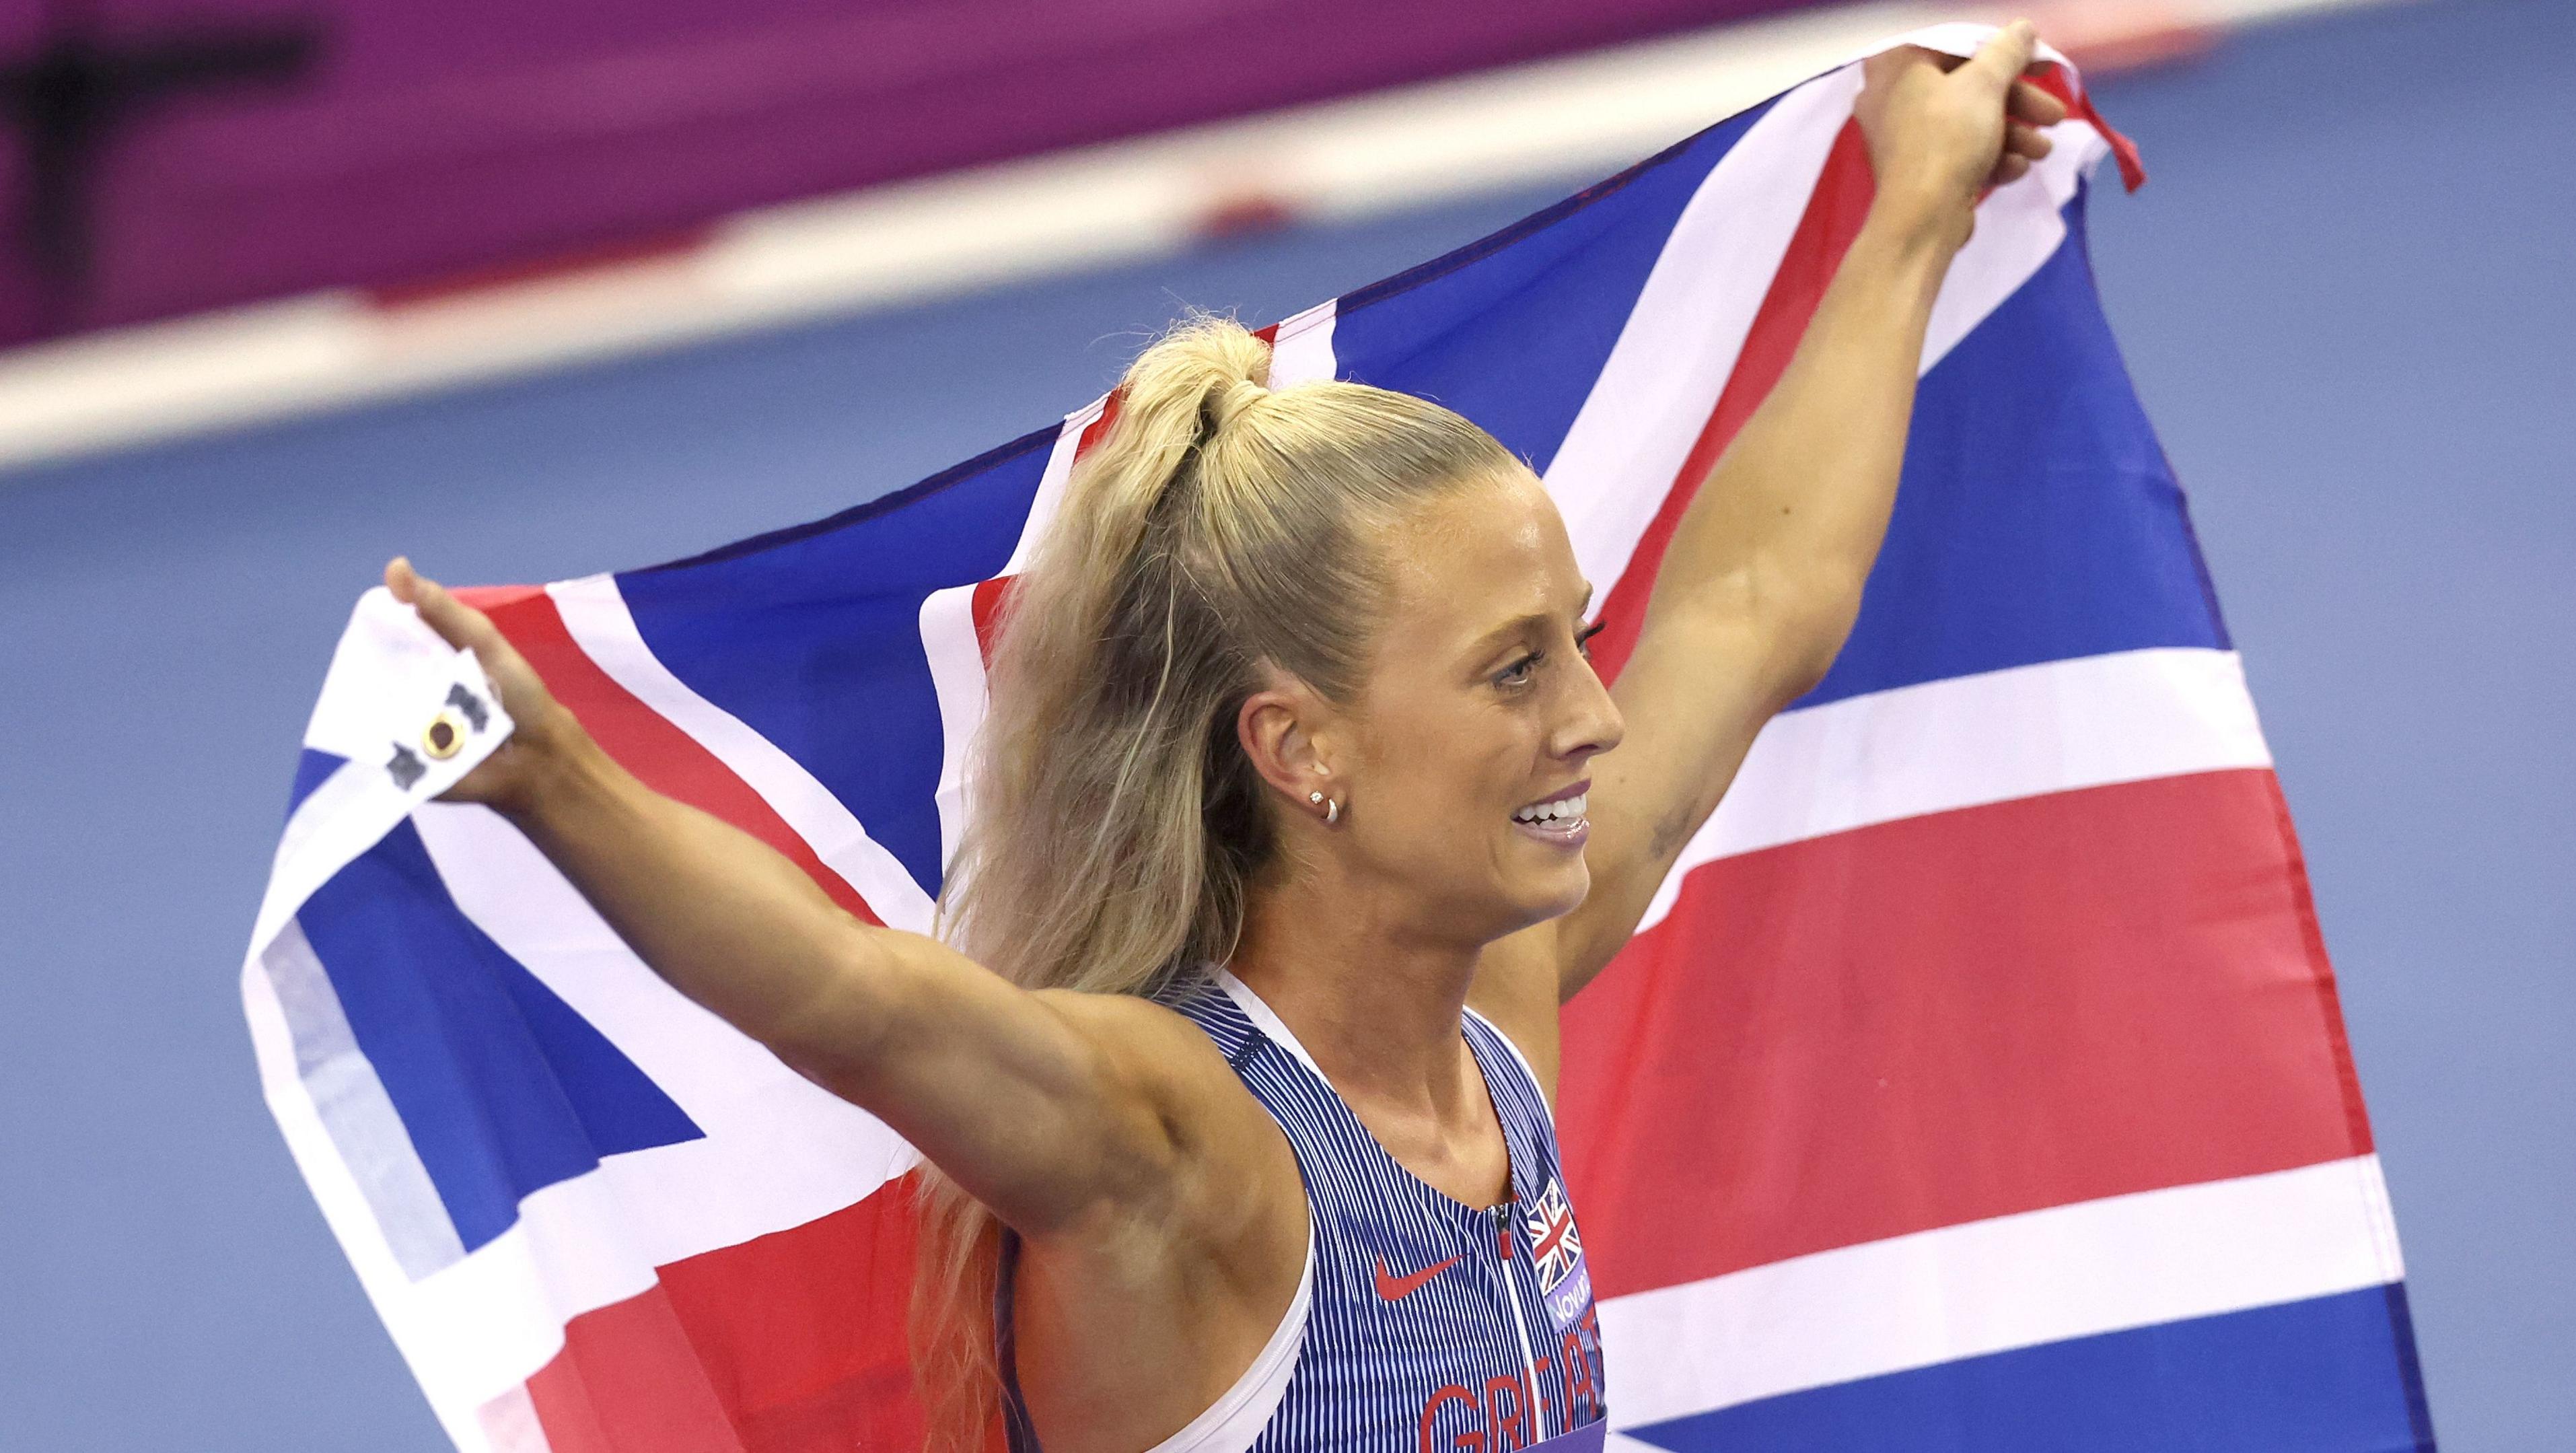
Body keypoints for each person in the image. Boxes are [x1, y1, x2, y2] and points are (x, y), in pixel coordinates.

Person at [385, 24, 2067, 1452]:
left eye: (1579, 646)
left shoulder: (1495, 1016)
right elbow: (856, 1002)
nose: (1594, 720)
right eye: (1510, 673)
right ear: (1301, 749)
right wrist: (553, 778)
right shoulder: (1179, 1153)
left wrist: (1915, 201)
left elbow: (1755, 603)